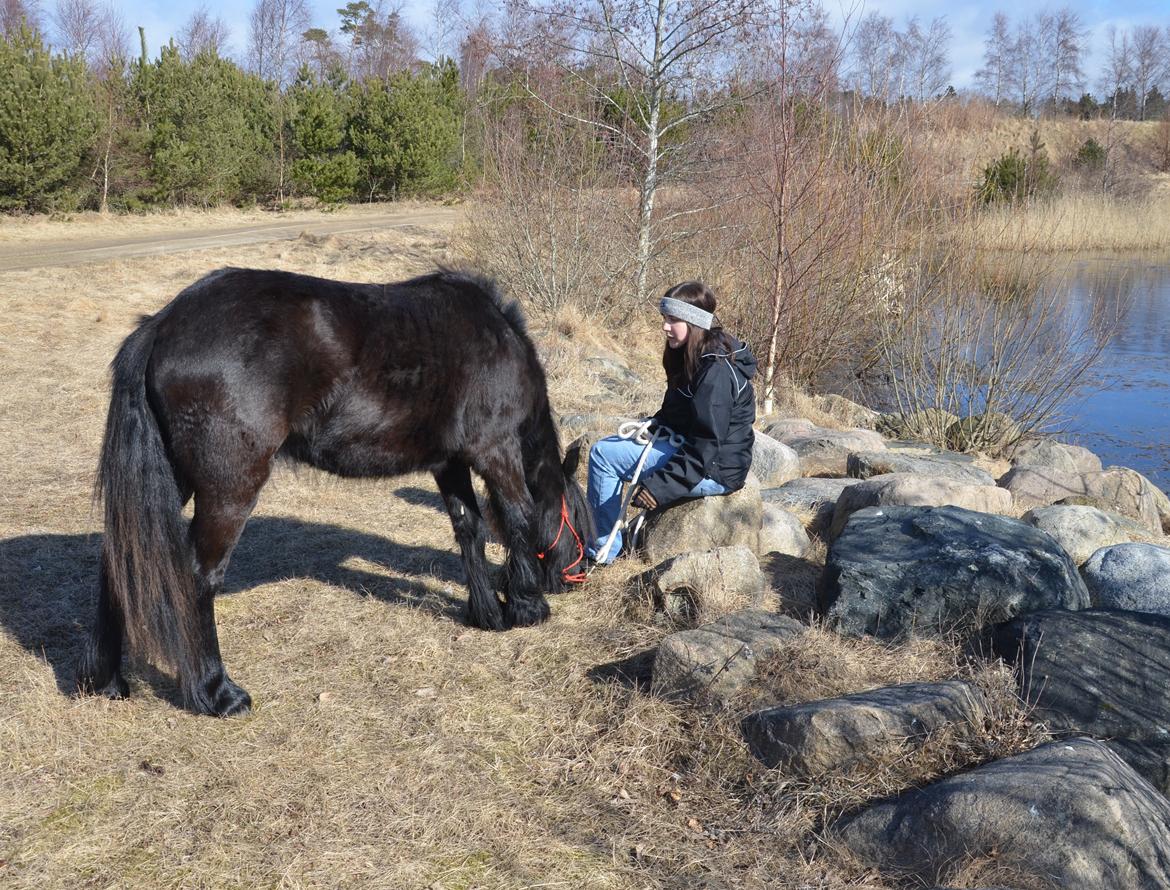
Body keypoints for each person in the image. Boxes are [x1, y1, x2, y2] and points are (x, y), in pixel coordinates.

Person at [586, 281, 757, 565]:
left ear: (695, 322)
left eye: (673, 320)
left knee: (603, 456)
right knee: (610, 448)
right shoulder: (695, 354)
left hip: (715, 470)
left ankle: (601, 553)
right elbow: (679, 412)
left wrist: (660, 487)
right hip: (702, 456)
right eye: (665, 319)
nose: (665, 327)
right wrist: (658, 423)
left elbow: (706, 446)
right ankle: (606, 542)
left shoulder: (716, 373)